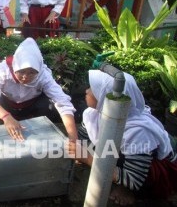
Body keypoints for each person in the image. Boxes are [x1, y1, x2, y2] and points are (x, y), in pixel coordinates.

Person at [67, 70, 177, 205]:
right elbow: (83, 141)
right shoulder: (93, 114)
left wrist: (88, 158)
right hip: (121, 156)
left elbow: (135, 179)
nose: (87, 91)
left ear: (104, 96)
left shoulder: (137, 132)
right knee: (101, 148)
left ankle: (128, 190)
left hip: (151, 170)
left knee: (136, 174)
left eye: (93, 88)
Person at [0, 37, 78, 141]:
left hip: (31, 106)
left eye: (31, 72)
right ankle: (0, 126)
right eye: (21, 71)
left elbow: (62, 101)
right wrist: (6, 117)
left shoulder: (43, 74)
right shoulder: (4, 70)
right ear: (15, 67)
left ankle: (38, 129)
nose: (25, 77)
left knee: (49, 106)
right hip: (7, 105)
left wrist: (73, 137)